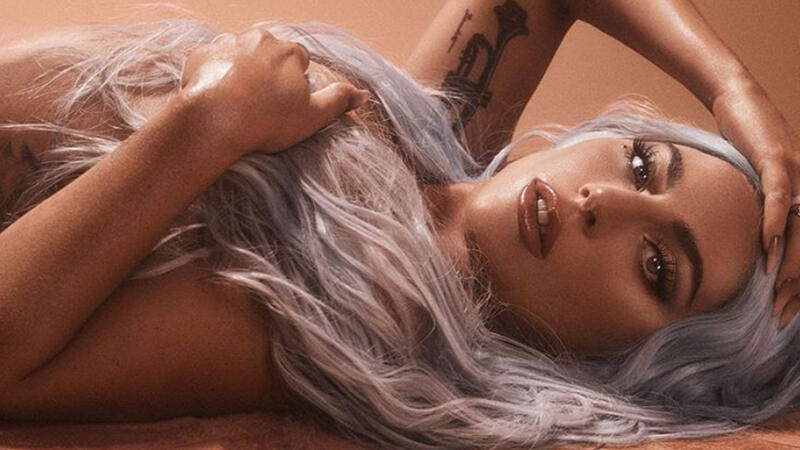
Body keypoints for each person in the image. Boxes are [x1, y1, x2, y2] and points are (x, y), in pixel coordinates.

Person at [0, 0, 797, 448]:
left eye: (656, 266)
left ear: (628, 363)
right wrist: (732, 89)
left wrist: (209, 120)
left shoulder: (358, 313)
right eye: (643, 165)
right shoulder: (433, 136)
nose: (604, 203)